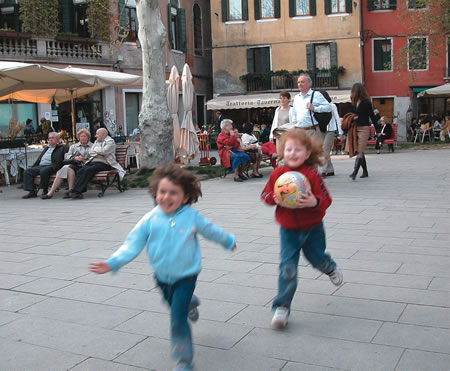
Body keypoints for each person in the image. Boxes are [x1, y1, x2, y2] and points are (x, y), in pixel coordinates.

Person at [89, 164, 236, 371]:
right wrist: (113, 262)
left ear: (185, 197)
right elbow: (132, 244)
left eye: (173, 193)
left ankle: (184, 361)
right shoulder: (149, 219)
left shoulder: (191, 217)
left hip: (186, 276)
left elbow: (211, 230)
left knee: (177, 319)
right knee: (177, 307)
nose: (166, 197)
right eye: (162, 192)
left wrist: (228, 240)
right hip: (162, 277)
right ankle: (191, 303)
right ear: (155, 192)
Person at [260, 129, 343, 329]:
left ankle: (329, 266)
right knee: (287, 268)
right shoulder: (278, 174)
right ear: (282, 152)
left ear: (307, 154)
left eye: (298, 150)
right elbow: (265, 195)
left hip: (313, 228)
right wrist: (274, 198)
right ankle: (282, 306)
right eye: (289, 149)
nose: (293, 153)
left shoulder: (311, 174)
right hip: (288, 230)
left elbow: (326, 200)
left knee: (317, 259)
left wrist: (314, 202)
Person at [70, 128, 125, 199]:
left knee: (89, 170)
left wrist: (97, 151)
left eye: (97, 134)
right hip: (93, 161)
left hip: (105, 163)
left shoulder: (110, 142)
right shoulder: (97, 141)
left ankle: (76, 191)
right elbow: (91, 152)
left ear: (103, 135)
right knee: (80, 170)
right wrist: (100, 152)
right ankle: (80, 191)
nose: (95, 136)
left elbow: (104, 151)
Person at [41, 128, 93, 199]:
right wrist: (75, 158)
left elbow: (94, 157)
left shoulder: (93, 146)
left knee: (66, 168)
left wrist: (84, 160)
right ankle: (69, 191)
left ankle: (52, 193)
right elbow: (67, 156)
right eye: (81, 136)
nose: (83, 138)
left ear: (88, 137)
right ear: (79, 137)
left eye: (85, 136)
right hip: (74, 164)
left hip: (85, 165)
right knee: (67, 168)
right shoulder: (73, 146)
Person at [22, 132, 68, 199]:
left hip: (53, 165)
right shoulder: (47, 148)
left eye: (52, 138)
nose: (50, 139)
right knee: (27, 171)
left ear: (58, 139)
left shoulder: (62, 147)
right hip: (41, 165)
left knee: (44, 171)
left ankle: (45, 190)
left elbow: (65, 158)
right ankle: (32, 191)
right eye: (49, 138)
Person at [349, 83, 377, 180]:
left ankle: (355, 171)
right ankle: (365, 171)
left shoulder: (366, 103)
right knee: (359, 150)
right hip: (355, 128)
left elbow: (372, 117)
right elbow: (352, 114)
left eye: (353, 90)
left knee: (360, 149)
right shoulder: (353, 102)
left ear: (357, 91)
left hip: (364, 128)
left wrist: (377, 130)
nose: (351, 92)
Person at [318, 91, 343, 177]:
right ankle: (330, 169)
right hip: (321, 130)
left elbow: (337, 119)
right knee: (323, 150)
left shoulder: (332, 106)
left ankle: (323, 170)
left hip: (330, 130)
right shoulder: (318, 107)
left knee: (326, 149)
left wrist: (340, 132)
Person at [270, 91, 296, 156]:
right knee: (280, 154)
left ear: (289, 99)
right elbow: (274, 123)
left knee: (288, 153)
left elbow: (294, 123)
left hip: (289, 135)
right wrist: (271, 136)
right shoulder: (277, 110)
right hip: (278, 135)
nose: (282, 100)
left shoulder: (292, 110)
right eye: (281, 98)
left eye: (284, 98)